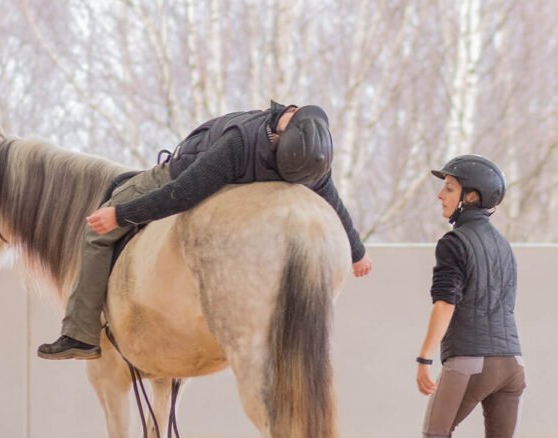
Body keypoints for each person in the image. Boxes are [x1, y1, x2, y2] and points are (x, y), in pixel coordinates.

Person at [37, 101, 374, 360]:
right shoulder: (237, 146)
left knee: (99, 230)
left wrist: (356, 251)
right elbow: (182, 193)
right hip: (182, 172)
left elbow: (331, 199)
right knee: (104, 223)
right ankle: (81, 332)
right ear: (277, 141)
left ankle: (80, 337)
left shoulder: (311, 153)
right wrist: (121, 214)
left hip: (199, 176)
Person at [415, 155, 526, 438]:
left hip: (470, 359)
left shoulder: (454, 242)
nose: (439, 195)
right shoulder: (503, 245)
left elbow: (445, 303)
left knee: (435, 434)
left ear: (470, 197)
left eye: (448, 188)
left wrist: (425, 357)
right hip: (512, 363)